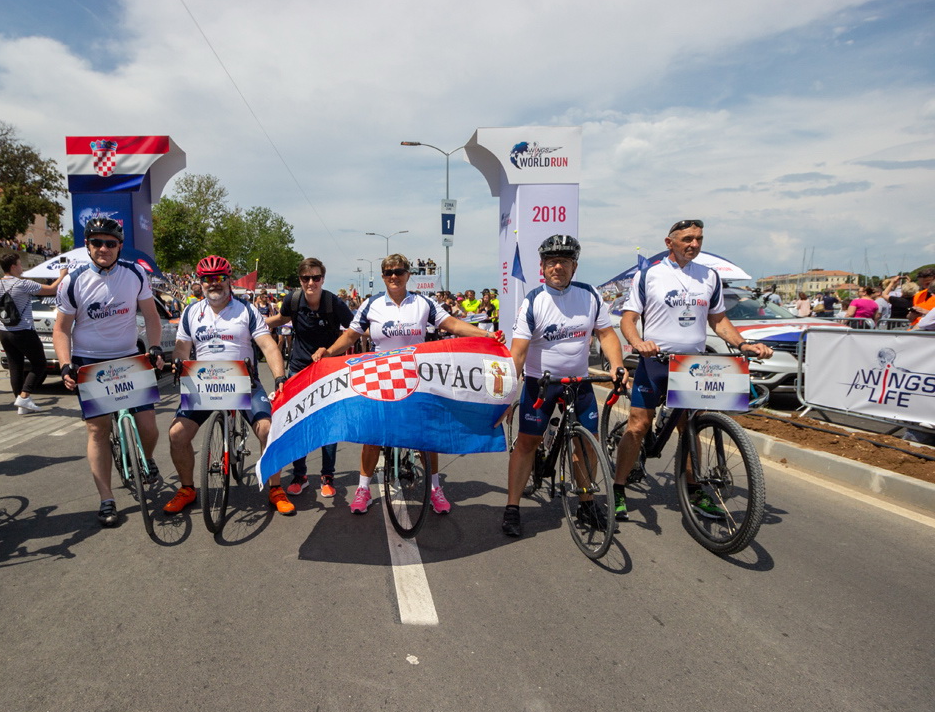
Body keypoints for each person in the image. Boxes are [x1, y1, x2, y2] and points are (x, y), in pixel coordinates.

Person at [313, 254, 502, 515]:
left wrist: (486, 334)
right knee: (373, 436)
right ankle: (363, 489)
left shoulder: (424, 303)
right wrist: (329, 352)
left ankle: (435, 488)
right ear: (382, 276)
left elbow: (453, 325)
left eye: (399, 271)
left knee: (427, 437)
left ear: (408, 274)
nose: (394, 276)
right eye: (389, 272)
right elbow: (351, 335)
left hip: (417, 377)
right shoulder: (372, 304)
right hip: (380, 376)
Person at [612, 219, 773, 521]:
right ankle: (618, 487)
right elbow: (628, 319)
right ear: (669, 242)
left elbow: (719, 321)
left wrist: (743, 345)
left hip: (693, 366)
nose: (694, 244)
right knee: (637, 426)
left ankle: (695, 489)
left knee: (691, 427)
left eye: (699, 239)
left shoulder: (709, 277)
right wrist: (638, 343)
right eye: (687, 239)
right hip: (656, 362)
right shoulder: (649, 275)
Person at [501, 235, 627, 537]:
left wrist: (617, 365)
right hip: (540, 383)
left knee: (586, 441)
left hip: (579, 383)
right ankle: (512, 507)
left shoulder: (590, 295)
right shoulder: (533, 301)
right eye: (552, 262)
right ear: (542, 267)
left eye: (565, 261)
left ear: (574, 266)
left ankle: (586, 502)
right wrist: (508, 395)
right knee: (528, 444)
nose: (558, 266)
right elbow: (518, 352)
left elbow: (607, 336)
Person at [53, 218, 164, 527]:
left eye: (110, 243)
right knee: (97, 430)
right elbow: (61, 330)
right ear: (87, 246)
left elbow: (152, 317)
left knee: (149, 426)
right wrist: (65, 363)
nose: (103, 248)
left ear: (119, 246)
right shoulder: (72, 281)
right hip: (90, 361)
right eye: (97, 243)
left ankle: (146, 457)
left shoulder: (135, 273)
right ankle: (106, 499)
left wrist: (154, 347)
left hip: (129, 357)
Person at [165, 255, 295, 516]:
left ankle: (275, 487)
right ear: (200, 283)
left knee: (267, 429)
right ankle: (187, 488)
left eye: (219, 278)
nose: (214, 284)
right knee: (176, 434)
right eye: (207, 280)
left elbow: (268, 346)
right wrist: (177, 363)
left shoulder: (247, 310)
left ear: (229, 281)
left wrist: (280, 377)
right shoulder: (191, 312)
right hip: (204, 384)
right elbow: (181, 348)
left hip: (243, 382)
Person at [266, 257, 355, 499]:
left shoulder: (334, 303)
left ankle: (327, 476)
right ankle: (300, 475)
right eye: (306, 278)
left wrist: (330, 351)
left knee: (329, 424)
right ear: (300, 280)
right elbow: (283, 319)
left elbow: (354, 331)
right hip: (298, 369)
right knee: (297, 422)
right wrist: (256, 325)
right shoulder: (293, 300)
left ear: (323, 279)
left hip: (328, 370)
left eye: (316, 278)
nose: (311, 282)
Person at [0, 253, 68, 414]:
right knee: (39, 364)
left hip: (5, 332)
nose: (21, 268)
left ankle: (21, 403)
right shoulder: (23, 284)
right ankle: (24, 396)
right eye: (19, 264)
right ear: (13, 267)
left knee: (15, 367)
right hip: (23, 330)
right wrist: (63, 275)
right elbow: (51, 289)